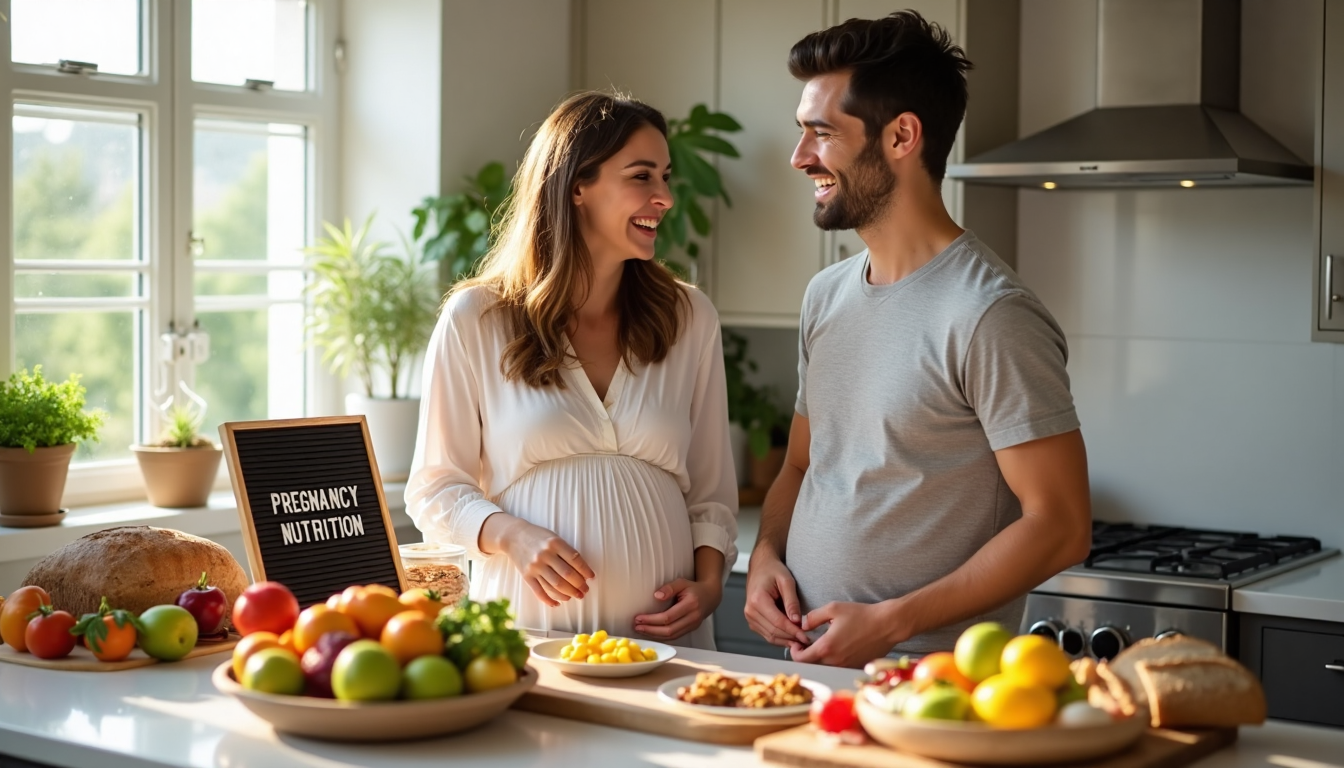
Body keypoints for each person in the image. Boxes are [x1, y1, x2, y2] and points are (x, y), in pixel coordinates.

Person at [744, 11, 1092, 667]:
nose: (799, 158)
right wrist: (765, 556)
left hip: (929, 683)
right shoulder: (827, 295)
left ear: (902, 135)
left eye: (821, 133)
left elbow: (1062, 527)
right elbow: (800, 466)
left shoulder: (990, 312)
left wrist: (890, 622)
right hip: (808, 672)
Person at [406, 92, 738, 649]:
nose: (664, 197)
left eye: (665, 176)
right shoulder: (477, 319)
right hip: (527, 630)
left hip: (668, 645)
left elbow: (710, 491)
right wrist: (509, 535)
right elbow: (434, 489)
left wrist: (709, 586)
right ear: (577, 186)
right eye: (641, 176)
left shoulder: (689, 317)